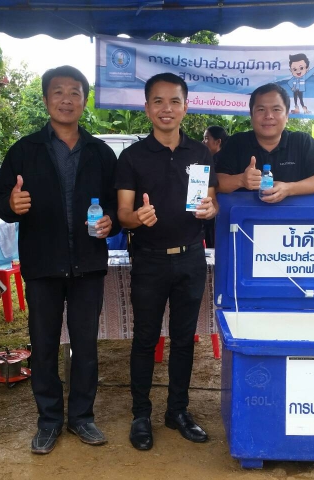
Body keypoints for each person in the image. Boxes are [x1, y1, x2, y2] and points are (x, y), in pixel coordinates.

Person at [0, 65, 119, 455]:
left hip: (88, 264)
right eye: (59, 92)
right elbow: (1, 201)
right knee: (44, 345)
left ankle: (82, 417)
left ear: (85, 100)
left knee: (86, 346)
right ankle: (48, 421)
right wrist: (11, 204)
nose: (67, 99)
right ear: (47, 99)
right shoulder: (24, 151)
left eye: (75, 92)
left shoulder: (100, 153)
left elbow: (116, 204)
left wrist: (111, 221)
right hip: (42, 264)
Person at [116, 73, 218, 451]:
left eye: (174, 101)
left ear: (185, 107)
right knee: (145, 339)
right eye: (158, 101)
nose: (166, 109)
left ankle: (177, 411)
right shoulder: (132, 157)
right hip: (149, 260)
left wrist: (210, 209)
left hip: (191, 258)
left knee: (184, 339)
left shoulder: (200, 154)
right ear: (147, 108)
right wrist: (135, 218)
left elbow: (210, 202)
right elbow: (123, 214)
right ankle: (140, 415)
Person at [215, 83, 314, 201]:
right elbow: (215, 183)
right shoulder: (237, 143)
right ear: (251, 115)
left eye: (276, 109)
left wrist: (289, 189)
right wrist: (241, 180)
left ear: (287, 115)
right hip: (243, 215)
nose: (268, 116)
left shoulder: (302, 142)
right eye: (261, 109)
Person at [201, 125, 229, 247]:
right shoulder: (208, 158)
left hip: (218, 210)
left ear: (218, 142)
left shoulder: (221, 161)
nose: (203, 142)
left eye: (207, 138)